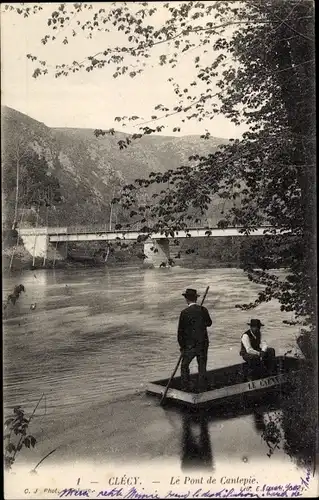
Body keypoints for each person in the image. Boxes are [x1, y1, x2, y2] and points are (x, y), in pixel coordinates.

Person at [178, 288, 212, 391]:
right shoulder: (203, 310)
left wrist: (182, 347)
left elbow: (180, 332)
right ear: (196, 299)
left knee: (184, 366)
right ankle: (202, 388)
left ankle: (185, 387)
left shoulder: (184, 312)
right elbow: (209, 323)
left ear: (187, 299)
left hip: (190, 346)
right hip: (203, 344)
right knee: (202, 367)